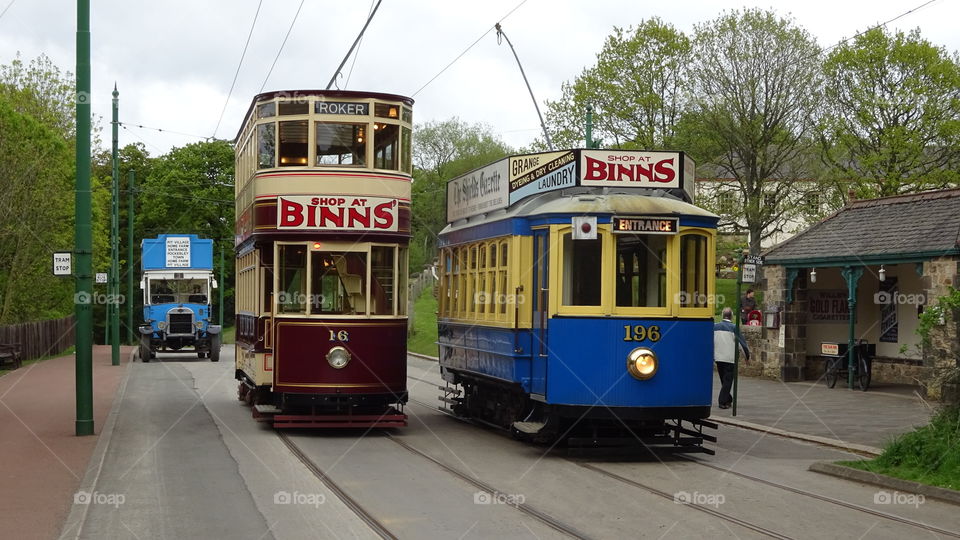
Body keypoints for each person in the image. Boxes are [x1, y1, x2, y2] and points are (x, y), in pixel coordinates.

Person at [714, 307, 750, 409]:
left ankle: (728, 399)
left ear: (722, 315)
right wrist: (747, 357)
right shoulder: (734, 328)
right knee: (728, 381)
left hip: (718, 357)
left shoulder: (715, 327)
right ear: (732, 316)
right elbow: (742, 344)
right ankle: (722, 402)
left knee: (723, 380)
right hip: (730, 358)